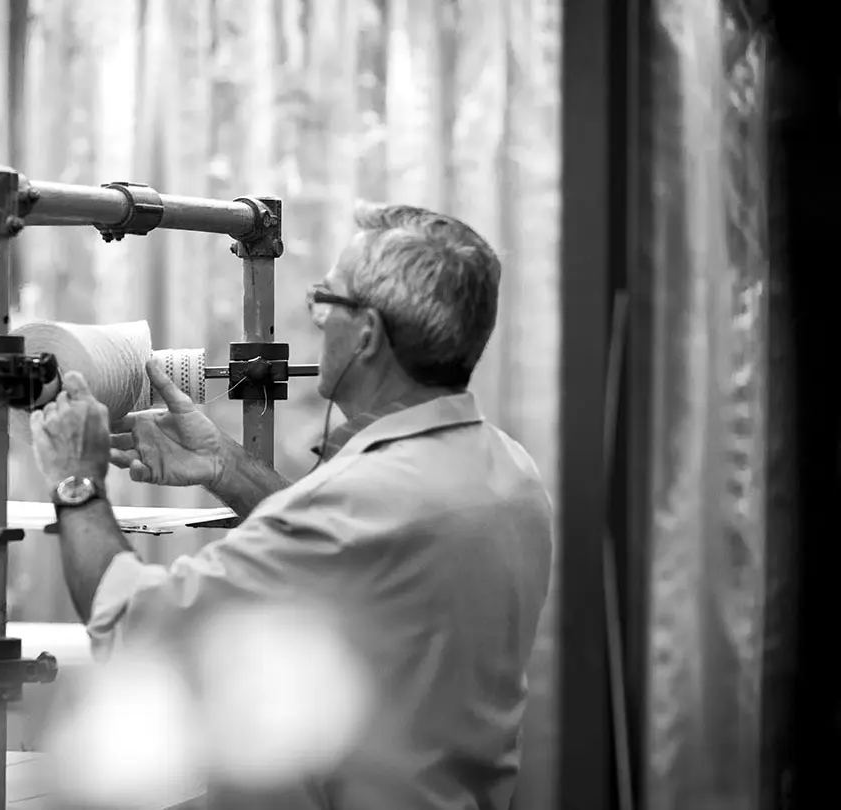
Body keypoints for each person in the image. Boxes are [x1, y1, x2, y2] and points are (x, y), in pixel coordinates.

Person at [29, 203, 553, 810]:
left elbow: (134, 622)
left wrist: (77, 479)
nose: (315, 320)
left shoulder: (365, 501)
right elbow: (345, 555)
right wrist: (224, 464)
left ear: (368, 334)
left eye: (325, 299)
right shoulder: (509, 471)